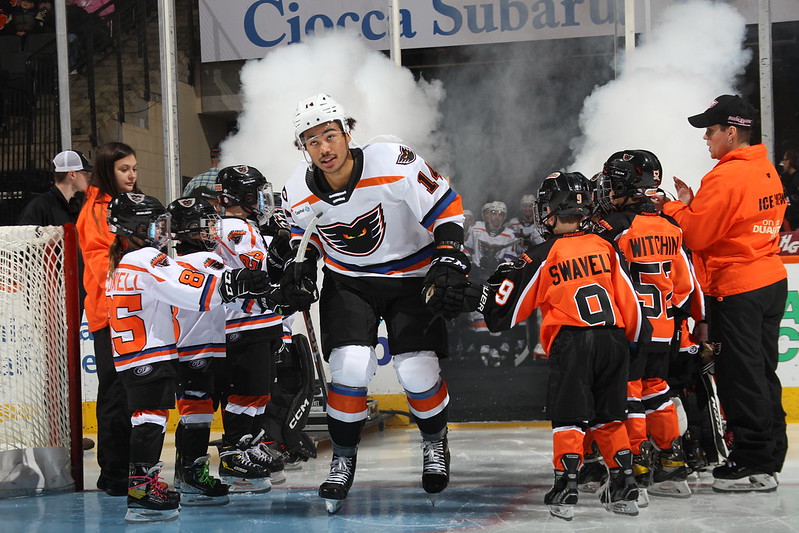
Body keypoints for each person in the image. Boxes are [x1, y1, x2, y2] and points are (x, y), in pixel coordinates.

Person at [278, 93, 468, 513]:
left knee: (417, 369)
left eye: (330, 135)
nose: (324, 149)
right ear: (302, 148)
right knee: (348, 366)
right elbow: (300, 234)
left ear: (347, 132)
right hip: (350, 282)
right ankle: (343, 460)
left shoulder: (391, 161)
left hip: (411, 277)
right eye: (312, 142)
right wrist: (301, 265)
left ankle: (435, 441)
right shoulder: (296, 188)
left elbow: (447, 206)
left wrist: (450, 254)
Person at [462, 171, 646, 520]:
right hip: (614, 338)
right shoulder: (606, 247)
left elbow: (507, 313)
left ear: (553, 209)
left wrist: (482, 294)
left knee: (568, 417)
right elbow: (630, 303)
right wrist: (633, 345)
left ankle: (566, 486)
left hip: (573, 341)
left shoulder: (543, 254)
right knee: (609, 416)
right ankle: (624, 485)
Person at [105, 192, 270, 522]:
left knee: (150, 418)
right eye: (154, 225)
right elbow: (190, 288)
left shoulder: (124, 262)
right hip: (149, 353)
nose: (161, 231)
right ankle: (142, 494)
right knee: (149, 420)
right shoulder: (145, 258)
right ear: (135, 226)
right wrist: (234, 282)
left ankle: (147, 487)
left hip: (139, 354)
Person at [662, 94, 787, 493]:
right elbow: (735, 219)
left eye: (710, 130)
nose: (706, 139)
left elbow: (697, 234)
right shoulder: (765, 168)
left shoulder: (726, 175)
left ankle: (753, 463)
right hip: (768, 278)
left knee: (741, 377)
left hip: (738, 286)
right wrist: (693, 206)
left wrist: (672, 208)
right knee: (762, 372)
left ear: (731, 132)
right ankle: (769, 453)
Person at [591, 149, 698, 501]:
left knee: (629, 395)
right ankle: (671, 460)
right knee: (658, 390)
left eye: (611, 181)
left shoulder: (614, 228)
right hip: (663, 330)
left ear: (626, 184)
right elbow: (684, 289)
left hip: (630, 329)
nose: (606, 189)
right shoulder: (671, 226)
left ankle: (636, 464)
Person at [212, 164, 285, 493]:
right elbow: (260, 269)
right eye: (256, 191)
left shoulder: (245, 225)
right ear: (240, 196)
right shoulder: (232, 228)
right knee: (246, 392)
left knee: (260, 393)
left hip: (262, 321)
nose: (262, 198)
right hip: (244, 323)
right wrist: (283, 247)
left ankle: (251, 444)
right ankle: (235, 457)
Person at [75, 141, 138, 496]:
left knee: (133, 393)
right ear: (107, 170)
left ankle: (130, 466)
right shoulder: (96, 210)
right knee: (115, 394)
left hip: (134, 313)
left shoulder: (128, 204)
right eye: (123, 169)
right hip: (111, 314)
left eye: (134, 168)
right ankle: (114, 473)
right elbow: (103, 267)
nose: (131, 175)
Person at [165, 196, 231, 506]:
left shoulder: (200, 259)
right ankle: (190, 475)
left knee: (202, 413)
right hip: (193, 352)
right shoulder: (187, 264)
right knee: (197, 415)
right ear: (184, 232)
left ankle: (188, 473)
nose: (210, 231)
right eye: (202, 226)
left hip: (210, 348)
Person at [464, 201, 521, 366]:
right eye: (494, 213)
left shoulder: (510, 234)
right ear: (488, 214)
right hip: (478, 277)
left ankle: (495, 347)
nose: (496, 217)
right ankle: (485, 346)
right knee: (478, 312)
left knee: (496, 310)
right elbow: (466, 249)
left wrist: (499, 262)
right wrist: (471, 265)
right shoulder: (476, 229)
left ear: (504, 217)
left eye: (500, 214)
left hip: (498, 279)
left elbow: (512, 257)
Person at [18, 149, 90, 226]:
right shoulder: (40, 207)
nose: (88, 177)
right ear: (72, 174)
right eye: (85, 173)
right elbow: (26, 235)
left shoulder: (75, 205)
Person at [780, 147, 799, 230]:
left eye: (785, 160)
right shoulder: (790, 179)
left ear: (790, 161)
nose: (783, 163)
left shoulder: (796, 179)